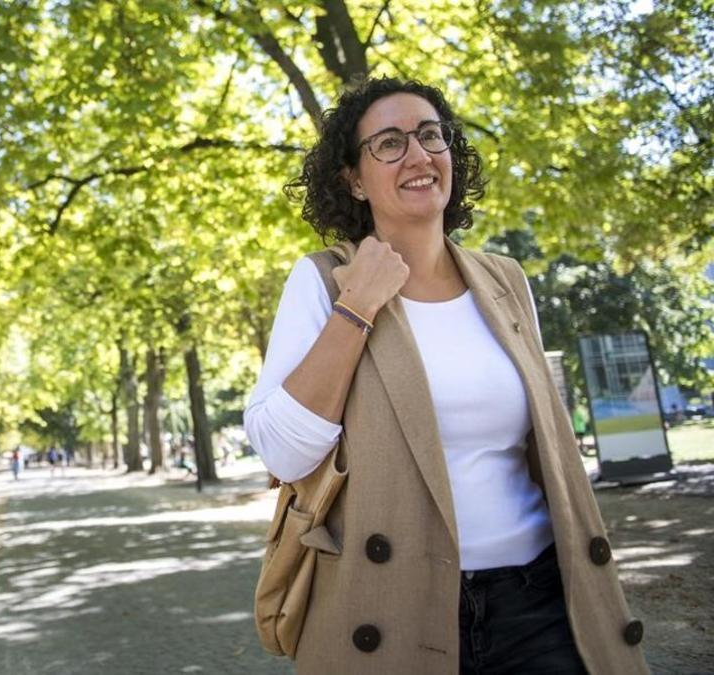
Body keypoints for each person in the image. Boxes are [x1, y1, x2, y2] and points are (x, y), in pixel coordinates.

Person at [246, 77, 647, 673]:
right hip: (389, 608)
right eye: (388, 143)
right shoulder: (324, 281)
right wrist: (357, 308)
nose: (418, 154)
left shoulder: (506, 281)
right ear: (353, 178)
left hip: (537, 600)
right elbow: (283, 452)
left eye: (430, 135)